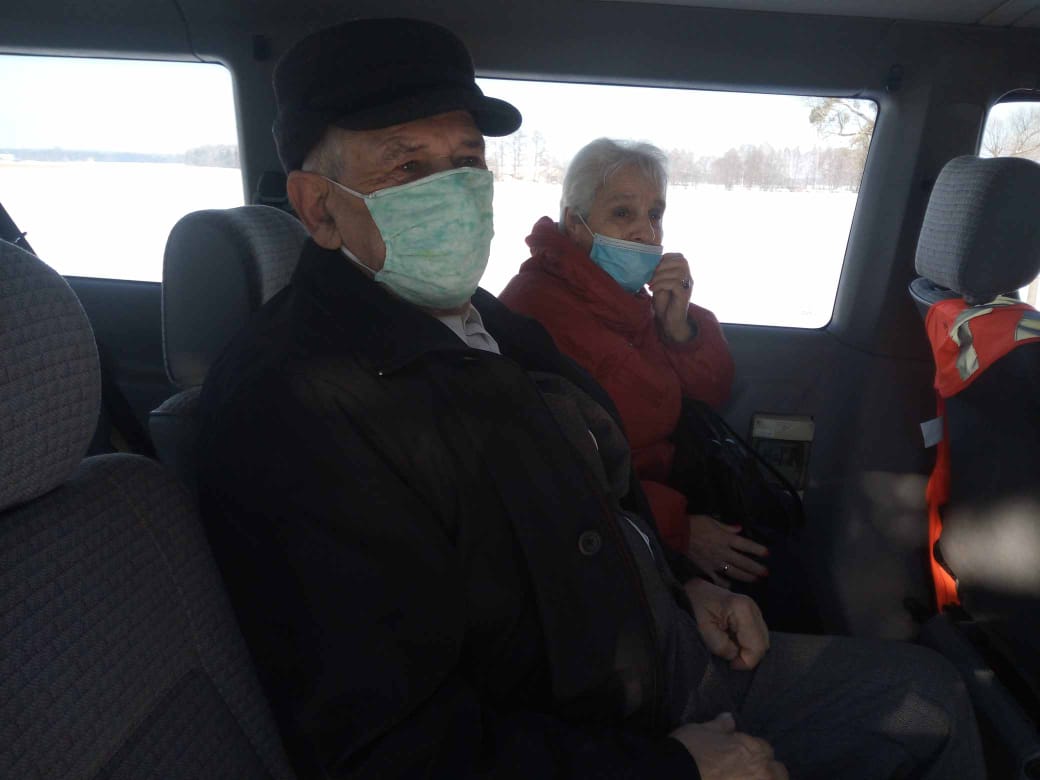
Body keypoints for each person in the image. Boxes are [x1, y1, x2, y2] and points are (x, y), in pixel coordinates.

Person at [196, 16, 984, 780]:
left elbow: (578, 497)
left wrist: (677, 588)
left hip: (651, 645)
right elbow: (396, 749)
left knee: (926, 694)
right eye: (406, 168)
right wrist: (671, 766)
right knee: (930, 706)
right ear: (318, 207)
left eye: (466, 161)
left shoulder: (477, 319)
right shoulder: (298, 410)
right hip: (603, 724)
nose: (455, 193)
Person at [499, 139, 760, 586]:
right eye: (623, 213)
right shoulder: (536, 312)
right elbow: (556, 472)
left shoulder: (633, 301)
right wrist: (678, 531)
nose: (646, 232)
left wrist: (680, 330)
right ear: (575, 224)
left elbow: (712, 394)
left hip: (667, 498)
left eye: (654, 214)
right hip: (610, 533)